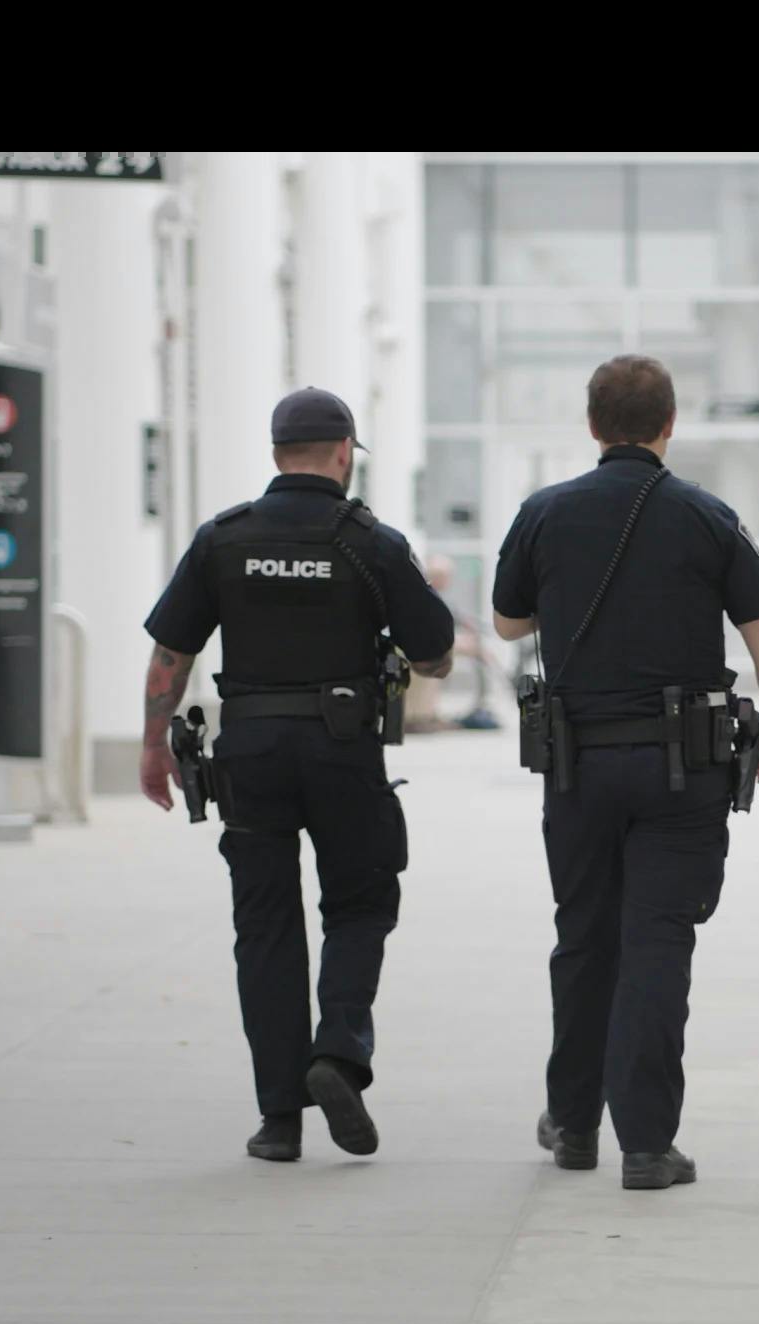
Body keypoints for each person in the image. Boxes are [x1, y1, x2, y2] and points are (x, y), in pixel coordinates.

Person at [493, 355, 759, 1191]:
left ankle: (573, 1125)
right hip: (681, 767)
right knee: (658, 943)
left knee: (583, 937)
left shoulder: (544, 513)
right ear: (670, 425)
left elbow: (505, 619)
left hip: (579, 763)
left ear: (593, 426)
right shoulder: (707, 517)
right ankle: (646, 1144)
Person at [140, 387, 457, 1163]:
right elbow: (435, 653)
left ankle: (279, 1118)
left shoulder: (224, 539)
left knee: (266, 928)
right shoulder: (370, 543)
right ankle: (338, 1050)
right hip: (343, 748)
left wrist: (153, 744)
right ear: (344, 453)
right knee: (360, 900)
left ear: (277, 453)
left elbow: (170, 655)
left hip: (249, 752)